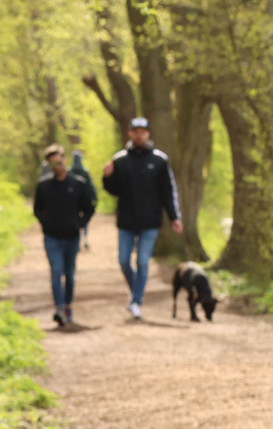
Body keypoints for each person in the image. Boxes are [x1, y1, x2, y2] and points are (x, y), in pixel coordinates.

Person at [99, 116, 182, 320]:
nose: (139, 135)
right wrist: (107, 177)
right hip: (127, 220)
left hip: (150, 221)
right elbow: (114, 190)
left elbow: (167, 191)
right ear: (130, 133)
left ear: (148, 133)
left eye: (142, 131)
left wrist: (174, 217)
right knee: (124, 261)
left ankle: (136, 301)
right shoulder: (120, 160)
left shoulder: (159, 160)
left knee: (143, 261)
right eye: (135, 131)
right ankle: (137, 289)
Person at [32, 145, 95, 329]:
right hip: (52, 237)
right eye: (53, 163)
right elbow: (37, 209)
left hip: (72, 236)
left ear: (65, 160)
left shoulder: (78, 183)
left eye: (59, 162)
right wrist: (46, 223)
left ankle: (68, 305)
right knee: (56, 271)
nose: (57, 166)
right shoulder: (44, 185)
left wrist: (80, 224)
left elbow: (89, 208)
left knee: (70, 274)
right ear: (49, 164)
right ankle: (59, 307)